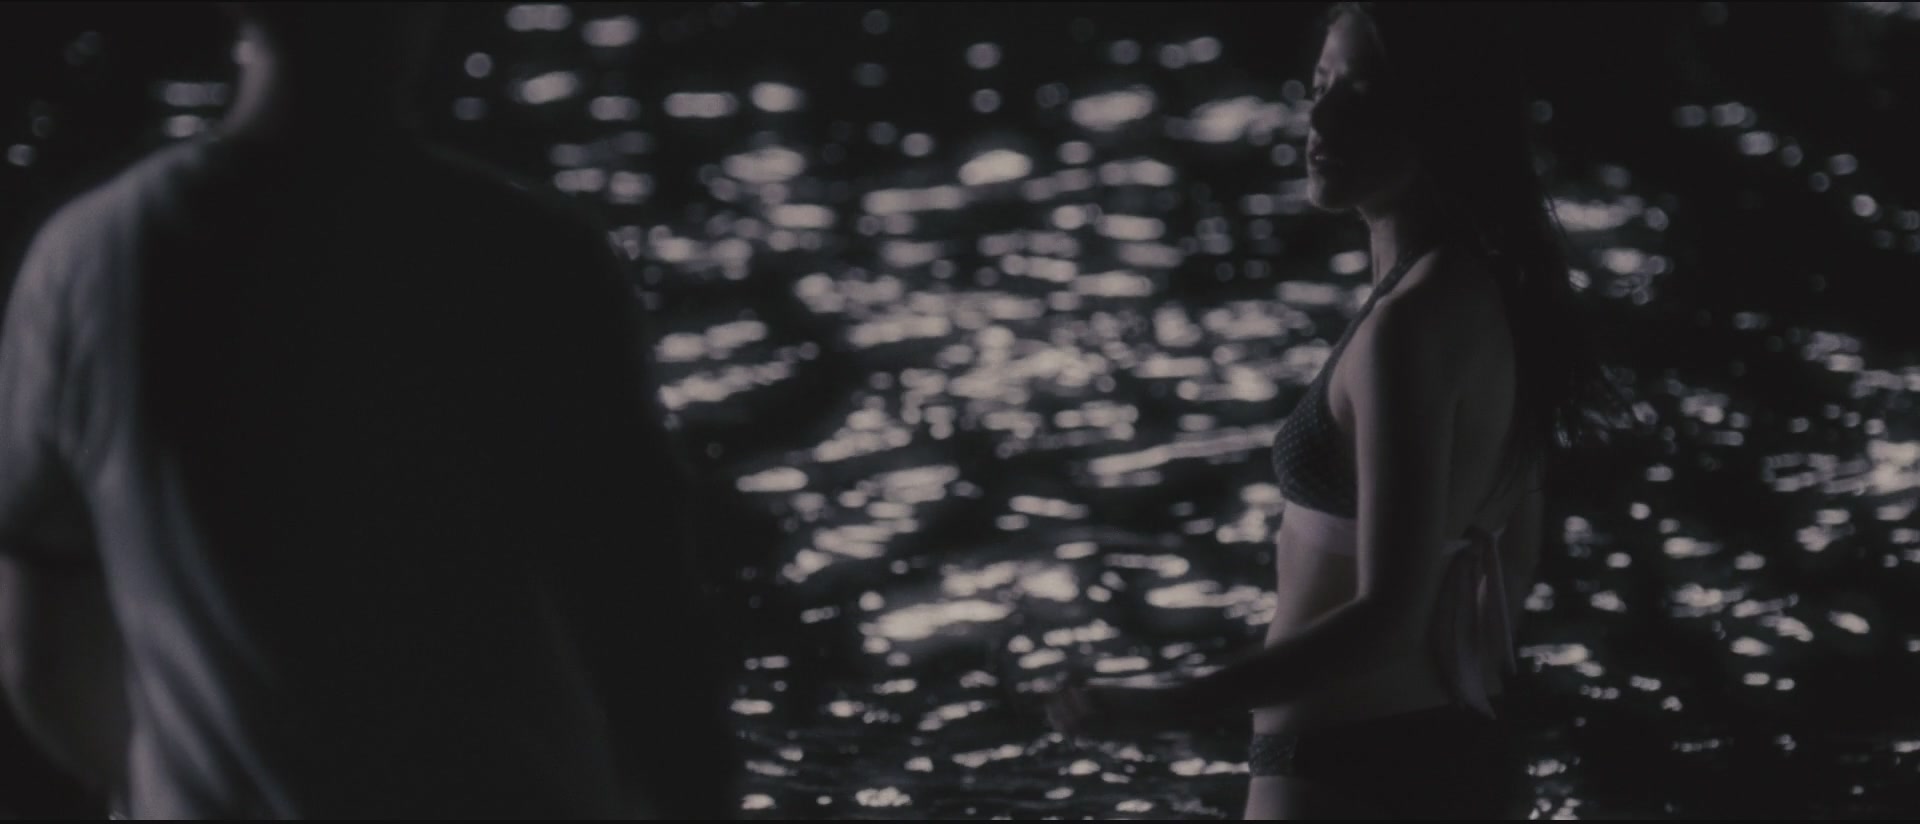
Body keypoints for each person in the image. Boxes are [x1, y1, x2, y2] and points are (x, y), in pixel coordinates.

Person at [0, 4, 733, 818]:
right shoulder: (537, 262)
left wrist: (160, 783)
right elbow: (654, 642)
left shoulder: (92, 261)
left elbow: (43, 660)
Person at [1045, 2, 1621, 819]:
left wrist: (1167, 704)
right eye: (1319, 87)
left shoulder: (1408, 327)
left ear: (1441, 115)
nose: (1319, 119)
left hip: (1345, 766)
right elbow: (1513, 562)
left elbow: (1388, 615)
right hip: (1463, 751)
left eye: (1363, 95)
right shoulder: (1499, 294)